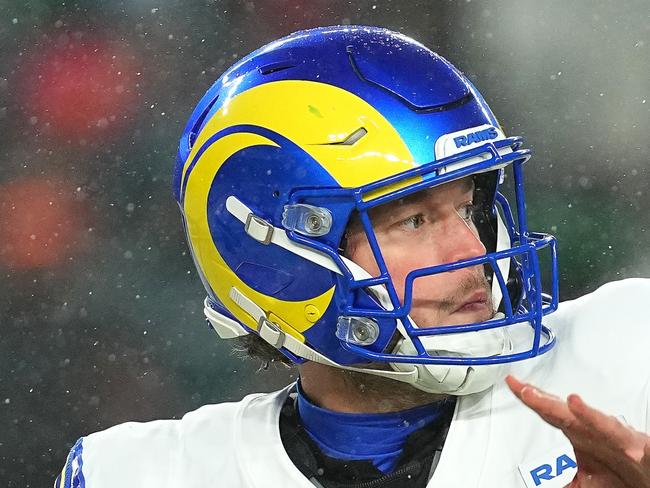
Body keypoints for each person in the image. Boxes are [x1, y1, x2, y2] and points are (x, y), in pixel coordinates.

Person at [55, 26, 650, 488]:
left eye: (470, 210)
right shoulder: (144, 472)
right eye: (413, 220)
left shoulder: (625, 354)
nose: (472, 253)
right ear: (278, 263)